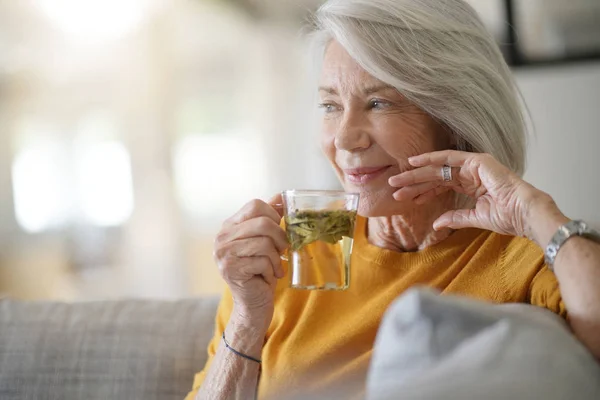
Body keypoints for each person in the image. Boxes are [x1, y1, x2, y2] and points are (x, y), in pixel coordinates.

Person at [186, 0, 600, 399]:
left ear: (454, 117)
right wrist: (245, 319)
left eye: (378, 102)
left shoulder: (525, 258)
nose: (345, 138)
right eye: (330, 105)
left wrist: (535, 212)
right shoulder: (288, 252)